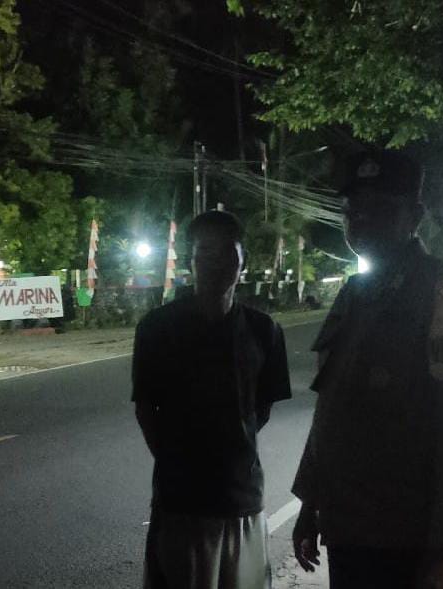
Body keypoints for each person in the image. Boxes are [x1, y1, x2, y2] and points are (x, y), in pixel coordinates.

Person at [290, 151, 443, 589]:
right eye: (353, 212)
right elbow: (331, 410)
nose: (362, 221)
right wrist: (310, 504)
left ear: (414, 217)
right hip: (348, 525)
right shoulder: (354, 294)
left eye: (381, 209)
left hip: (409, 538)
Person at [133, 210, 292, 589]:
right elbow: (146, 409)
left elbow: (260, 410)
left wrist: (229, 451)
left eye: (226, 252)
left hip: (242, 501)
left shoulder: (264, 331)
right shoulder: (157, 329)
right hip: (179, 504)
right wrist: (178, 462)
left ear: (243, 261)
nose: (215, 262)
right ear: (190, 261)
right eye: (204, 252)